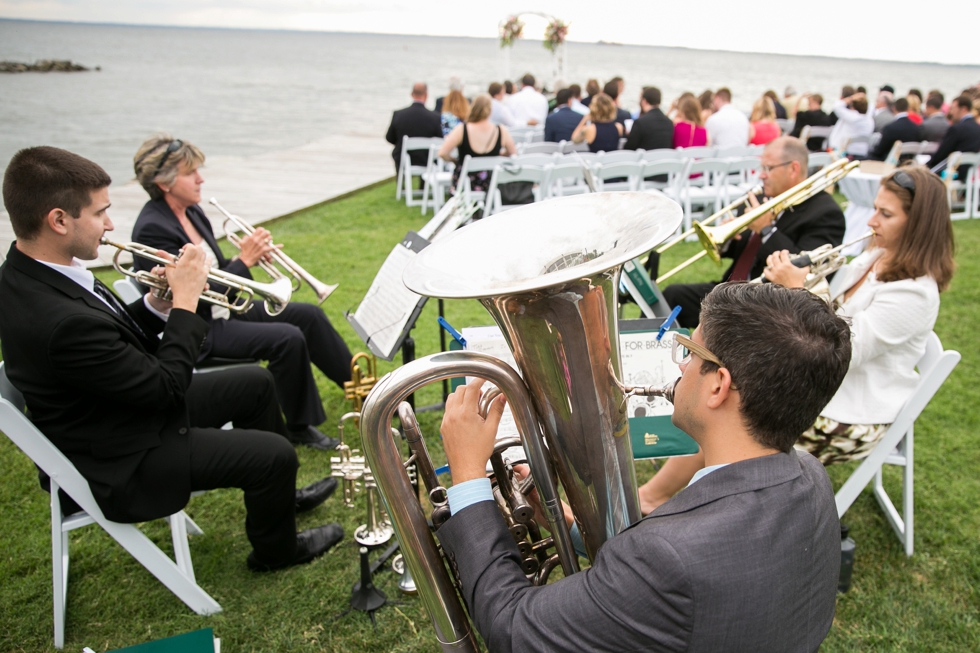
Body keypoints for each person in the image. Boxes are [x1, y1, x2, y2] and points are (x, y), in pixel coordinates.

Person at [436, 281, 849, 652]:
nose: (680, 366)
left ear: (718, 386)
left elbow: (510, 628)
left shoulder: (666, 558)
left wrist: (469, 477)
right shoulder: (811, 476)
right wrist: (573, 528)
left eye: (688, 352)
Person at [0, 146, 345, 571]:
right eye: (99, 213)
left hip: (115, 410)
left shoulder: (30, 272)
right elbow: (166, 389)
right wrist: (185, 303)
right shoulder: (57, 318)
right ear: (58, 220)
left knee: (256, 384)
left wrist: (156, 304)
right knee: (275, 454)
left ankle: (280, 499)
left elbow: (109, 337)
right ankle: (277, 550)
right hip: (123, 455)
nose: (110, 225)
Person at [639, 166, 954, 510]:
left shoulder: (916, 294)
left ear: (918, 225)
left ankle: (660, 498)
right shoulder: (875, 257)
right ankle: (667, 495)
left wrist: (798, 289)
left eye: (885, 214)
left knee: (733, 410)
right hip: (826, 389)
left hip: (852, 413)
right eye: (876, 208)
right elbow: (837, 312)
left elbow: (844, 351)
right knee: (725, 391)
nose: (871, 221)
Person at [131, 135, 353, 451]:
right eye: (190, 173)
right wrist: (244, 261)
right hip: (201, 327)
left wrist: (246, 261)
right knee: (287, 337)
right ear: (164, 183)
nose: (200, 178)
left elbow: (219, 269)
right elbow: (192, 294)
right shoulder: (153, 228)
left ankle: (362, 391)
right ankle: (299, 426)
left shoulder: (191, 212)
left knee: (309, 315)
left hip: (227, 310)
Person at [662, 136, 846, 328]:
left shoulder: (825, 213)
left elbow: (804, 271)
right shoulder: (760, 196)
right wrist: (729, 239)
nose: (761, 175)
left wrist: (766, 230)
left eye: (769, 168)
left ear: (793, 169)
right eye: (762, 168)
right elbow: (744, 252)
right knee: (672, 295)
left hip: (769, 305)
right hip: (732, 290)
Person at [438, 94, 517, 193]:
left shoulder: (462, 129)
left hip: (465, 183)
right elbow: (513, 153)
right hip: (492, 183)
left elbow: (442, 153)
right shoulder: (500, 130)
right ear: (490, 110)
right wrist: (498, 156)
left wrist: (455, 161)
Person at [385, 82, 442, 174]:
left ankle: (401, 183)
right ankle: (423, 185)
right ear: (426, 95)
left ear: (412, 94)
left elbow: (389, 138)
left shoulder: (398, 115)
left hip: (403, 158)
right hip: (426, 160)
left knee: (398, 151)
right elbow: (440, 139)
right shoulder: (435, 117)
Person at [926, 95, 980, 180]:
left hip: (951, 173)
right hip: (968, 174)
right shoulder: (977, 128)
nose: (951, 112)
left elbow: (941, 154)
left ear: (963, 109)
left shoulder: (957, 129)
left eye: (953, 108)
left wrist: (926, 165)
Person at [624, 86, 673, 151]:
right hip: (662, 160)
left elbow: (629, 148)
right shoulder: (669, 122)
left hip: (643, 160)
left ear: (644, 101)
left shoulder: (640, 122)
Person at [829, 91, 873, 157]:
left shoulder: (852, 117)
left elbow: (836, 106)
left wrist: (851, 98)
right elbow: (871, 106)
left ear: (853, 107)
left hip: (845, 153)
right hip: (862, 153)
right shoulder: (869, 120)